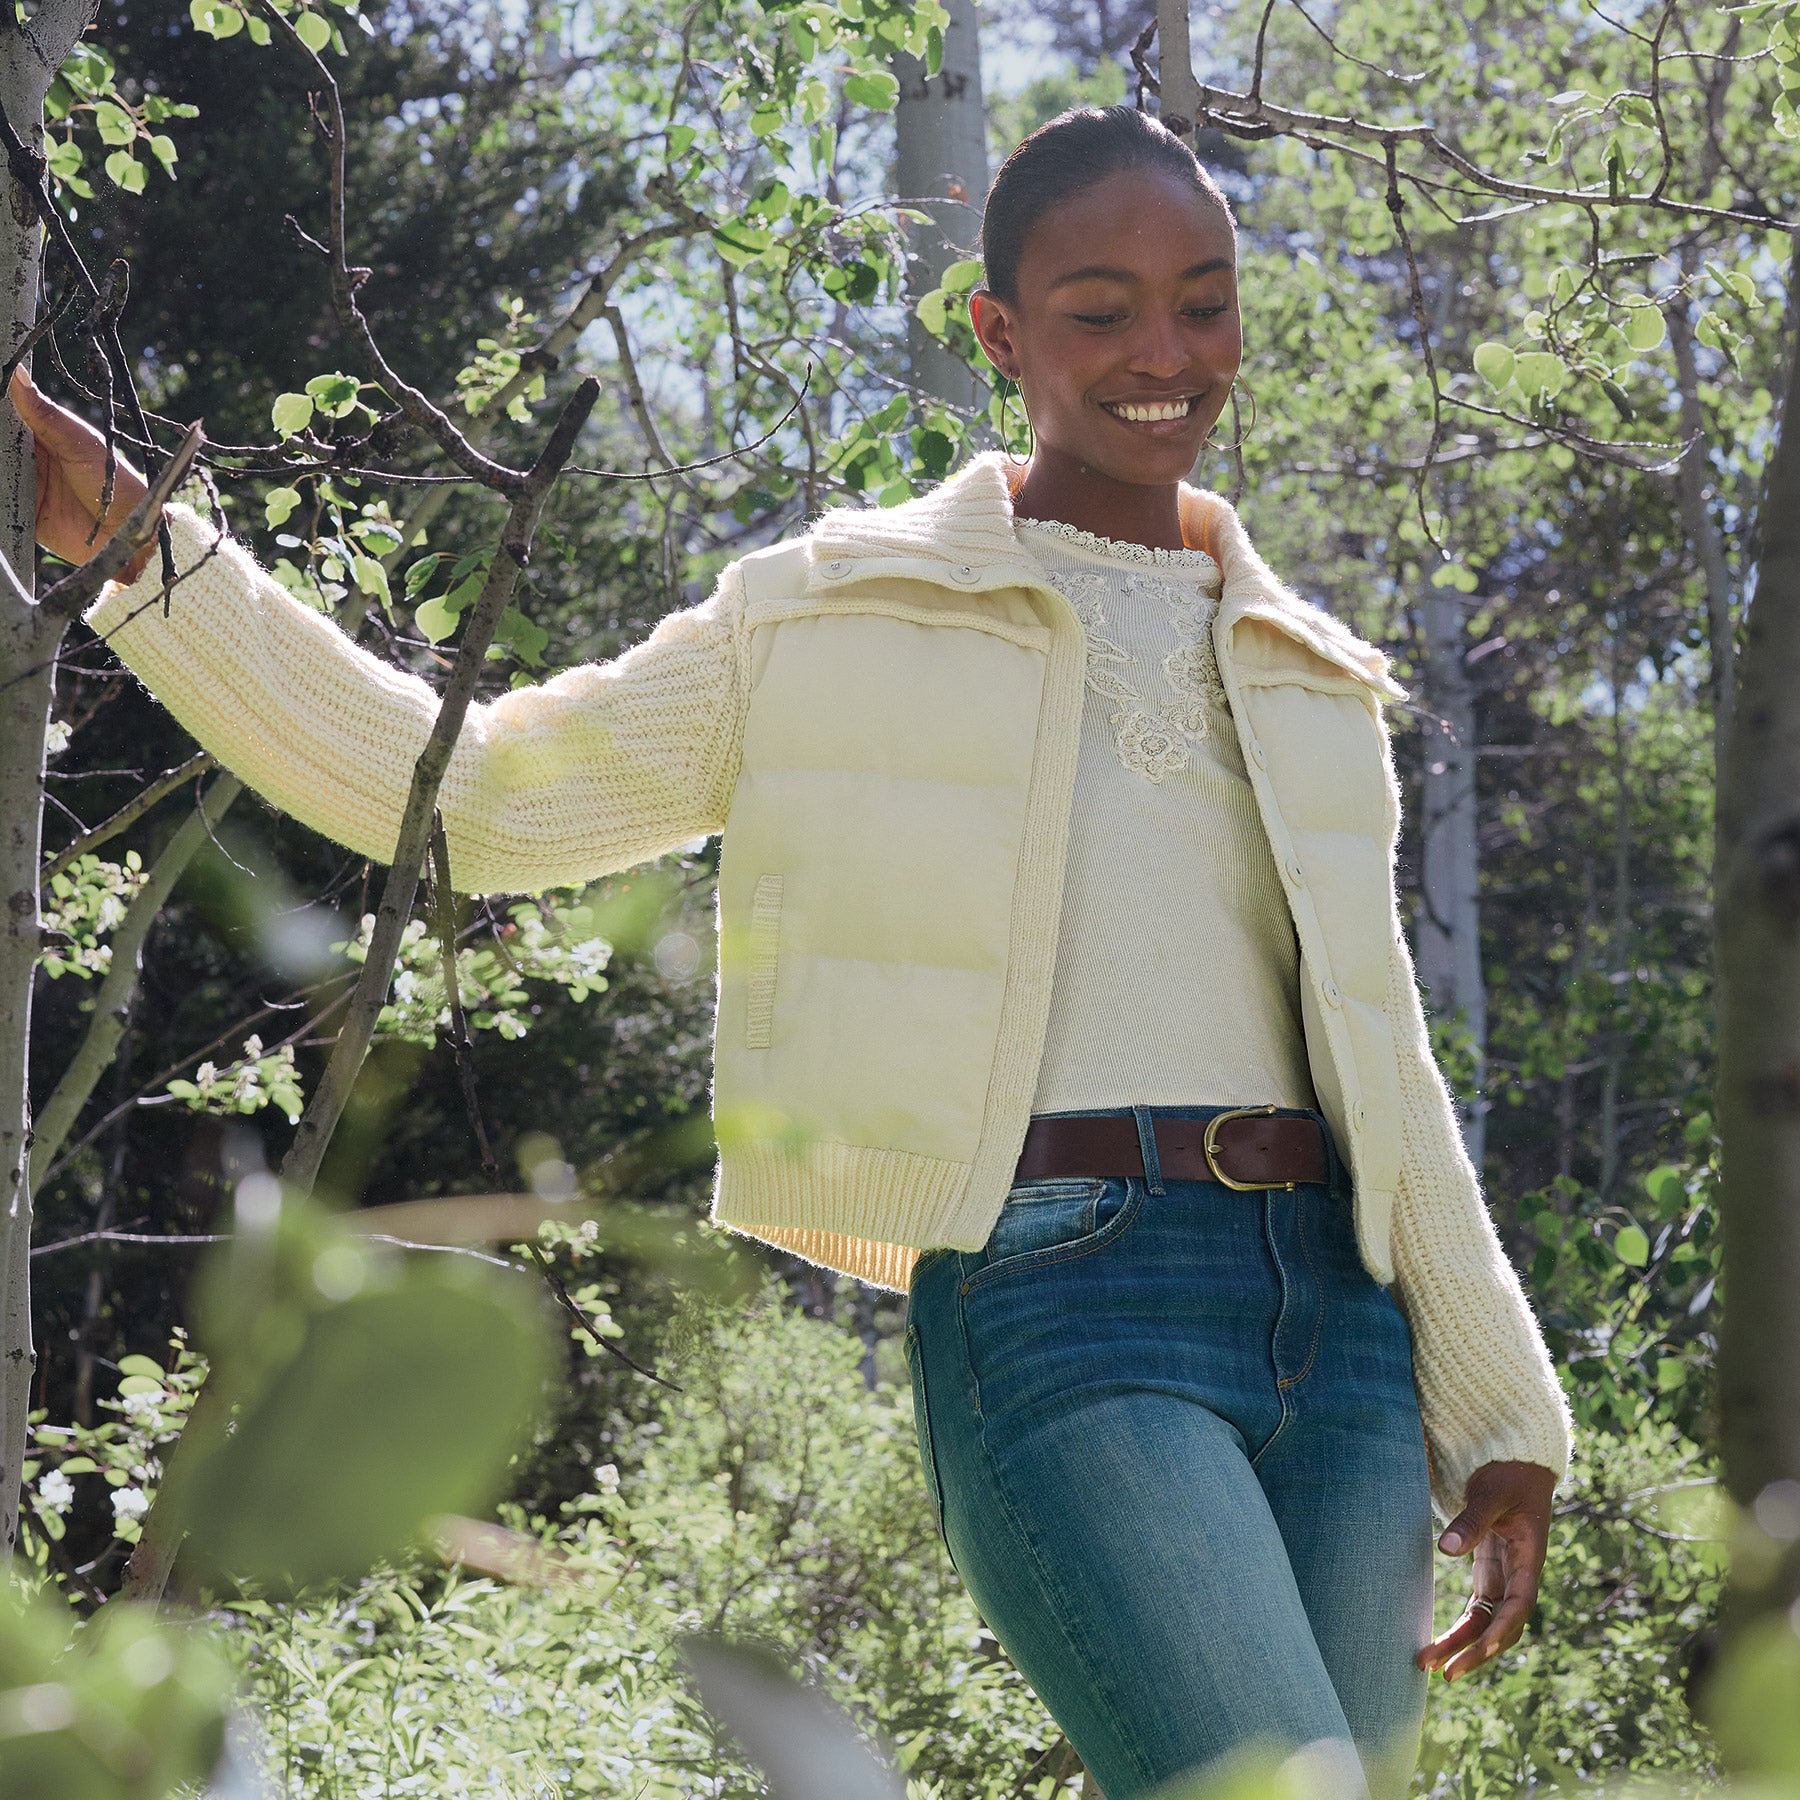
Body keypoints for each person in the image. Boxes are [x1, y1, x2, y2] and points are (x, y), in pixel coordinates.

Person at [19, 103, 1569, 1800]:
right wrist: (144, 556)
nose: (1165, 354)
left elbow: (1382, 1056)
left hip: (1341, 1326)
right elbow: (480, 799)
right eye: (1101, 309)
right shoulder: (828, 609)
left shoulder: (1310, 670)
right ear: (1000, 334)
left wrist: (1501, 1417)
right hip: (1067, 1294)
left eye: (1204, 303)